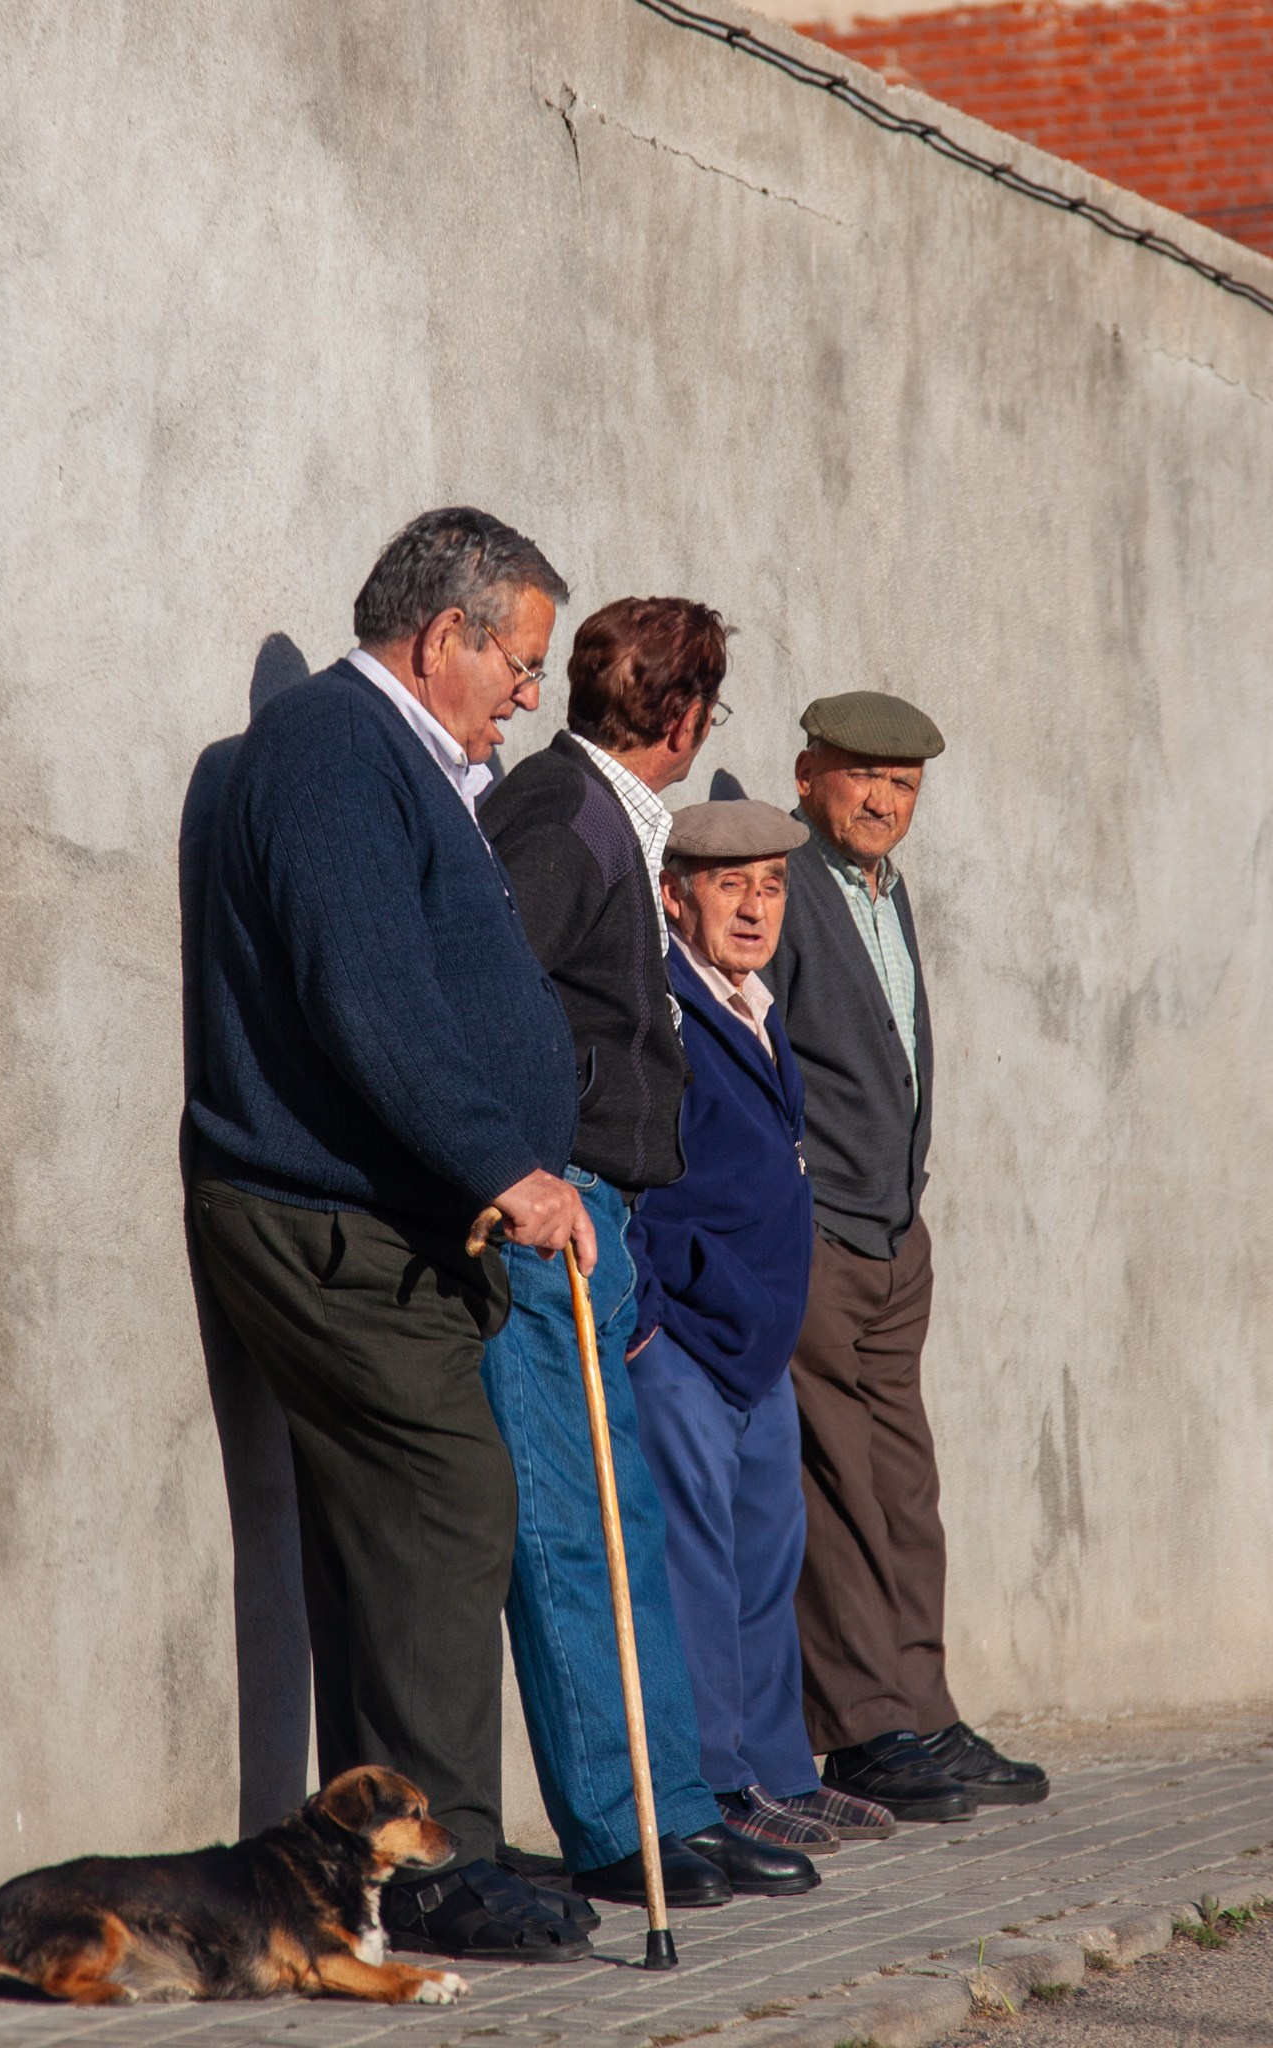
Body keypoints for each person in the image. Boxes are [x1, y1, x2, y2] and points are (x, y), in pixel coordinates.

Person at [187, 507, 602, 1964]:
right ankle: (430, 1870)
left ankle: (400, 1849)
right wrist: (504, 1161)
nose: (532, 693)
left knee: (412, 1518)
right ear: (447, 638)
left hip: (388, 1225)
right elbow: (366, 996)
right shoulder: (329, 752)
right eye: (525, 661)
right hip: (327, 1220)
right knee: (444, 1497)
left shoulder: (400, 765)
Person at [480, 602, 818, 1906]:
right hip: (551, 1206)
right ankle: (624, 1831)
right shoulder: (564, 817)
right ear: (686, 717)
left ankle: (676, 1806)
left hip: (596, 1209)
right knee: (572, 1524)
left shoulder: (607, 812)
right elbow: (482, 989)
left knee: (625, 1518)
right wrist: (537, 1163)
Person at [762, 692, 1050, 1819]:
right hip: (822, 1230)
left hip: (891, 1232)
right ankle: (865, 1726)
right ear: (805, 772)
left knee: (903, 1486)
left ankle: (922, 1705)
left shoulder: (885, 888)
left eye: (906, 784)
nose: (885, 800)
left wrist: (904, 1204)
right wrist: (800, 1208)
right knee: (833, 1481)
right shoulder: (784, 885)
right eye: (863, 775)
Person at [626, 802, 900, 1858]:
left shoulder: (754, 1000)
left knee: (765, 1551)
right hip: (687, 1338)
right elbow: (630, 1173)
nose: (753, 905)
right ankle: (719, 1782)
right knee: (699, 1559)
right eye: (728, 883)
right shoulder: (666, 1009)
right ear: (674, 894)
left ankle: (781, 1769)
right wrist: (649, 1324)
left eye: (771, 885)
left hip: (757, 1341)